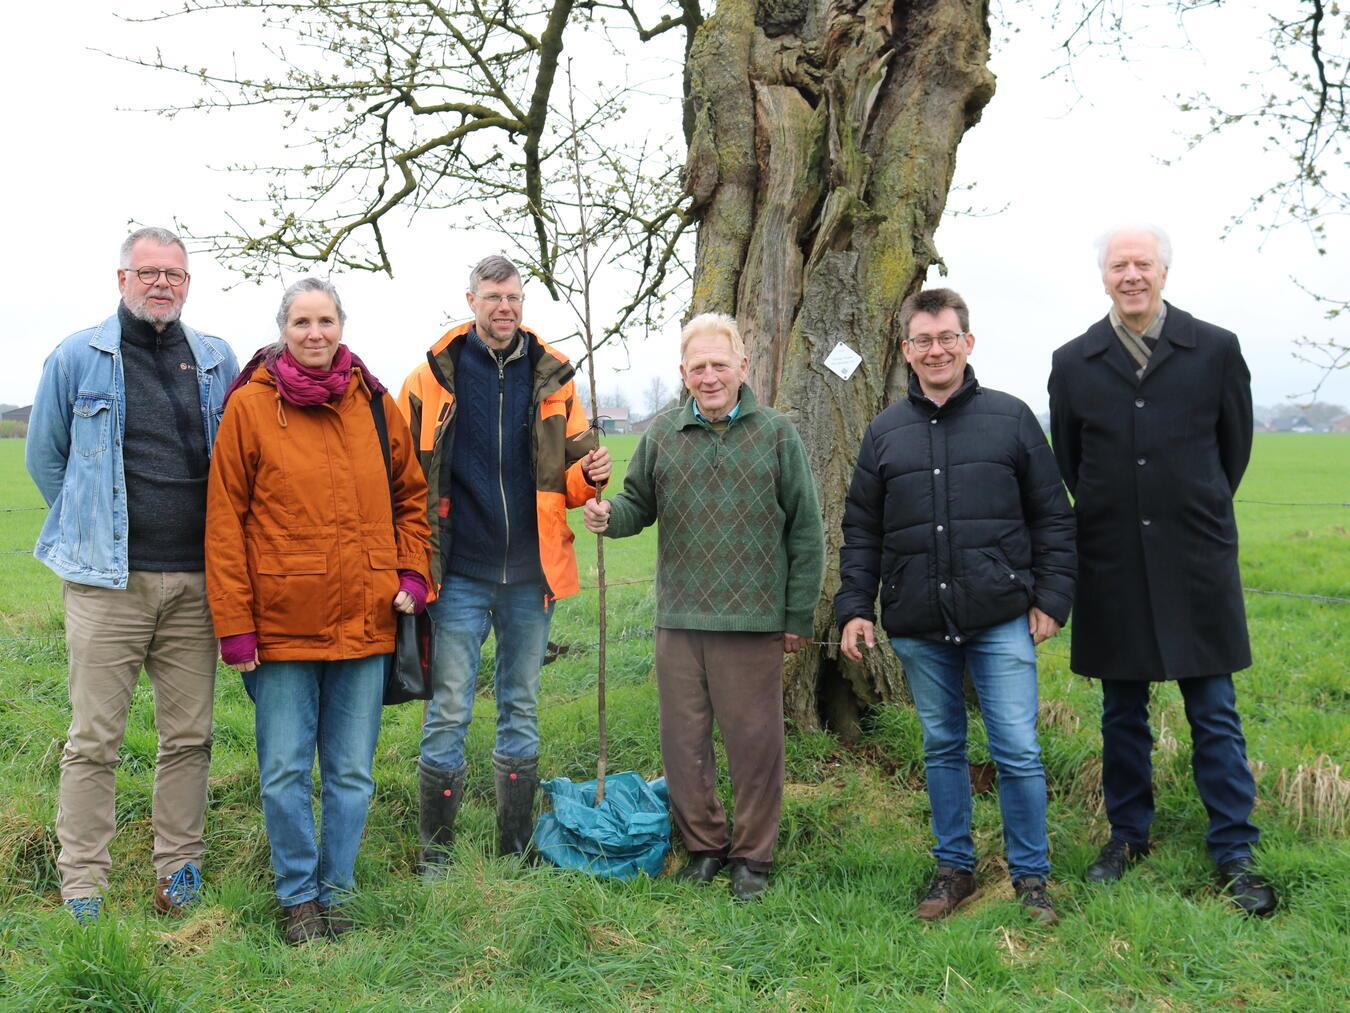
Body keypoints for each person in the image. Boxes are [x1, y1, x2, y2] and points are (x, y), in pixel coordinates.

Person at [1048, 225, 1277, 917]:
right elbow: (1071, 462)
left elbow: (1231, 451)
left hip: (1195, 558)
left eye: (1142, 263)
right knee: (1122, 712)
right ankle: (1128, 834)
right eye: (1119, 265)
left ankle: (1234, 845)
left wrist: (1189, 507)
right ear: (1104, 277)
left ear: (1165, 271)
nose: (1131, 276)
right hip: (1112, 561)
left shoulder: (1215, 349)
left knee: (1213, 708)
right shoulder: (1074, 362)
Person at [835, 288, 1075, 925]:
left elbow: (1053, 516)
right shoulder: (885, 432)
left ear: (968, 343)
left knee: (1018, 750)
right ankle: (954, 870)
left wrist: (1052, 599)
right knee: (942, 746)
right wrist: (855, 606)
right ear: (906, 351)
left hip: (1000, 618)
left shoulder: (1012, 418)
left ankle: (1031, 879)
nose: (935, 350)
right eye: (923, 341)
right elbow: (862, 530)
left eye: (947, 338)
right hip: (918, 621)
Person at [205, 278, 432, 944]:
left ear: (341, 325)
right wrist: (235, 624)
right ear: (283, 329)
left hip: (366, 620)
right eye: (301, 321)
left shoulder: (373, 403)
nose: (314, 332)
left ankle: (340, 891)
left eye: (325, 320)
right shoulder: (249, 406)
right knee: (282, 770)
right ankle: (298, 896)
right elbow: (224, 523)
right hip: (278, 627)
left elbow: (411, 497)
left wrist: (414, 572)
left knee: (352, 771)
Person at [27, 227, 239, 925]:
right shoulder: (75, 358)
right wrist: (94, 531)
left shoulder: (214, 360)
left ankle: (178, 870)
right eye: (147, 272)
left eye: (173, 274)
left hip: (194, 586)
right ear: (120, 278)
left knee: (190, 737)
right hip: (106, 585)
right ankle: (83, 883)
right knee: (94, 740)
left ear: (187, 283)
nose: (161, 284)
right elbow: (47, 462)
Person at [583, 312, 824, 902]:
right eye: (698, 367)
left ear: (743, 367)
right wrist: (609, 516)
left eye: (721, 364)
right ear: (683, 373)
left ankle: (752, 856)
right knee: (683, 742)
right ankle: (705, 847)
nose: (710, 376)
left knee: (754, 742)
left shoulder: (776, 434)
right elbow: (637, 503)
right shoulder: (663, 435)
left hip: (753, 621)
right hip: (680, 618)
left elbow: (806, 532)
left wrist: (797, 618)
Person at [398, 255, 610, 869]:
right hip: (459, 571)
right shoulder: (430, 378)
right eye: (492, 297)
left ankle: (514, 848)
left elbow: (574, 473)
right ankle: (436, 855)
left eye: (514, 297)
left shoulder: (553, 375)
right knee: (450, 709)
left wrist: (591, 472)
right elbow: (406, 475)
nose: (504, 307)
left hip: (530, 575)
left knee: (520, 705)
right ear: (470, 301)